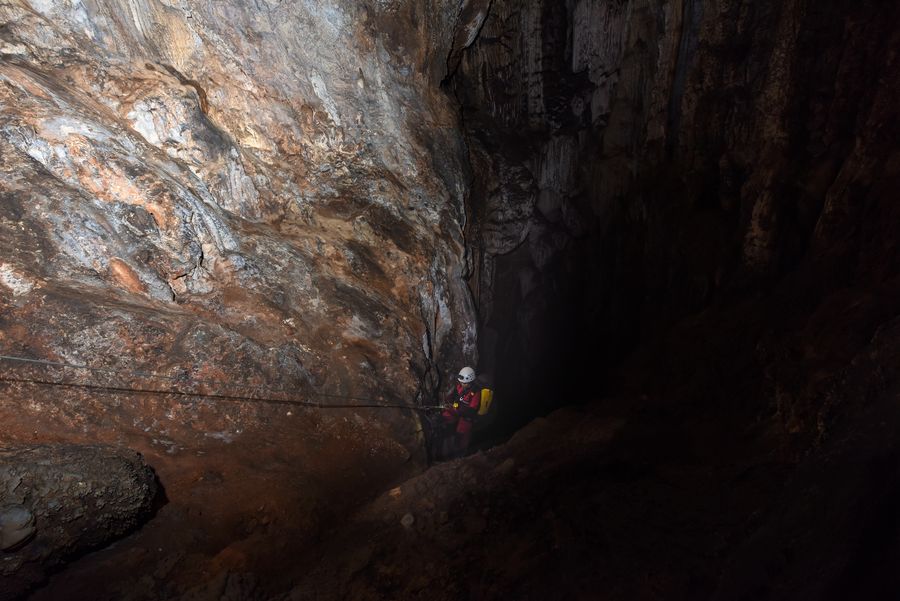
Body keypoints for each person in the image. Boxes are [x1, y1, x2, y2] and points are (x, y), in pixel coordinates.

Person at [440, 366, 481, 459]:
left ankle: (460, 456)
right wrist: (448, 401)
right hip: (457, 410)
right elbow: (453, 395)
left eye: (464, 383)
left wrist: (457, 409)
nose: (462, 384)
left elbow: (471, 410)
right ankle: (444, 439)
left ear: (470, 382)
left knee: (461, 436)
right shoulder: (460, 386)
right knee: (444, 417)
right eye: (461, 382)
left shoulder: (476, 392)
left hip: (466, 416)